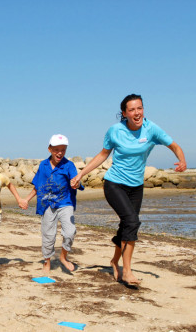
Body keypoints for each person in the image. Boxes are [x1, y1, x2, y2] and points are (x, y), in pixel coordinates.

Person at [71, 94, 187, 285]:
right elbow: (102, 155)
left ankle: (115, 262)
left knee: (127, 226)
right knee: (132, 221)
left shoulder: (151, 129)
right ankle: (127, 271)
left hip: (136, 187)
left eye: (139, 108)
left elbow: (174, 145)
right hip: (114, 184)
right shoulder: (115, 131)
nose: (137, 113)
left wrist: (182, 160)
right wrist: (81, 174)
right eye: (131, 110)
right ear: (124, 113)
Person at [24, 134, 83, 273]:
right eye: (57, 149)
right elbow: (38, 186)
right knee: (48, 235)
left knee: (70, 232)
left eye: (63, 149)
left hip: (65, 203)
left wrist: (76, 183)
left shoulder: (69, 165)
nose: (60, 153)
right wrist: (26, 199)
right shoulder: (43, 165)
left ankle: (63, 257)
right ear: (49, 149)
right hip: (47, 204)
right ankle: (47, 261)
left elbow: (76, 182)